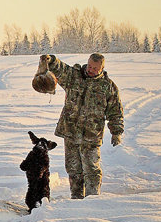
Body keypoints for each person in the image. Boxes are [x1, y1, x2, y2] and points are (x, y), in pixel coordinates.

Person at [37, 52, 124, 199]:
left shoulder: (108, 86)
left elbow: (115, 111)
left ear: (102, 68)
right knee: (73, 169)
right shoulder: (74, 77)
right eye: (90, 66)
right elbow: (60, 69)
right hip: (70, 132)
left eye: (95, 68)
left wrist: (116, 132)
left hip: (91, 135)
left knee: (91, 169)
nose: (91, 70)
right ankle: (76, 198)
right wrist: (50, 60)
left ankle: (92, 199)